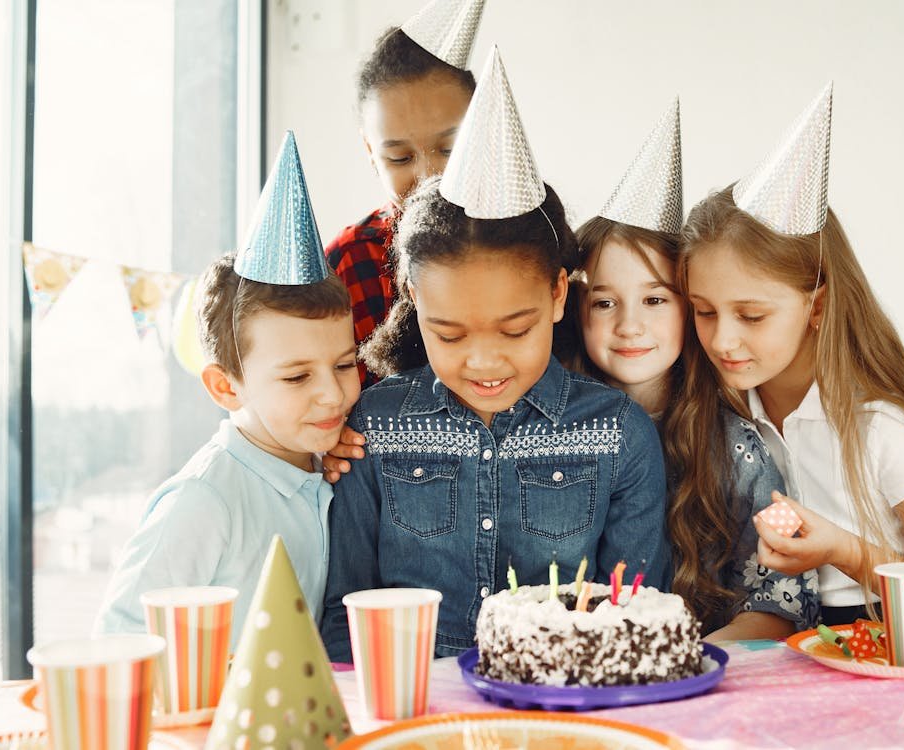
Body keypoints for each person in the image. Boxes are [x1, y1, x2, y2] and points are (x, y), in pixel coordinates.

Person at [319, 50, 670, 659]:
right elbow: (343, 623)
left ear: (560, 293)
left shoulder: (620, 438)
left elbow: (633, 628)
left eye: (514, 331)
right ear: (411, 298)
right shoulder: (371, 430)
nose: (483, 362)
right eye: (450, 334)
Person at [677, 83, 904, 626]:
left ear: (817, 305)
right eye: (704, 310)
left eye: (753, 315)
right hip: (811, 649)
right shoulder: (734, 416)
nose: (721, 341)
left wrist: (845, 550)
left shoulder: (882, 427)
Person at [95, 134, 361, 647]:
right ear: (225, 387)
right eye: (297, 376)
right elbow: (118, 639)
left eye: (345, 364)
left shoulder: (323, 462)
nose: (332, 393)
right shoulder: (204, 500)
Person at [572, 102, 817, 638]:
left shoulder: (733, 446)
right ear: (576, 310)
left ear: (690, 306)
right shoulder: (555, 434)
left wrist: (692, 661)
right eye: (605, 303)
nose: (629, 326)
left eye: (655, 300)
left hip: (710, 675)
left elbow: (783, 601)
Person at [322, 0, 485, 481]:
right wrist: (322, 445)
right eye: (398, 158)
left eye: (449, 149)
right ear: (370, 152)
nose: (429, 174)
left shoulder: (531, 243)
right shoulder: (347, 262)